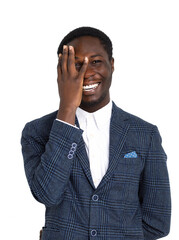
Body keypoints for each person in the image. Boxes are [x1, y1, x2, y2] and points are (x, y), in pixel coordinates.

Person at [21, 27, 171, 239]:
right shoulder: (37, 132)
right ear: (62, 72)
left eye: (96, 61)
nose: (86, 73)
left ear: (112, 64)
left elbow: (158, 222)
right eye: (76, 65)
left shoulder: (145, 135)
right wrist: (67, 109)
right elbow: (47, 194)